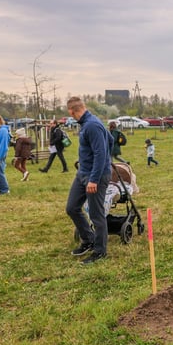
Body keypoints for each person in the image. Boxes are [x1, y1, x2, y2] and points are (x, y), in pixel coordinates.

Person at [65, 96, 112, 265]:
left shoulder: (92, 125)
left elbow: (101, 154)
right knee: (72, 208)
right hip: (82, 174)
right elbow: (110, 141)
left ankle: (100, 251)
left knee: (96, 214)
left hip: (95, 177)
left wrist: (94, 179)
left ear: (72, 111)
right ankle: (88, 239)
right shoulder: (87, 124)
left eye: (69, 113)